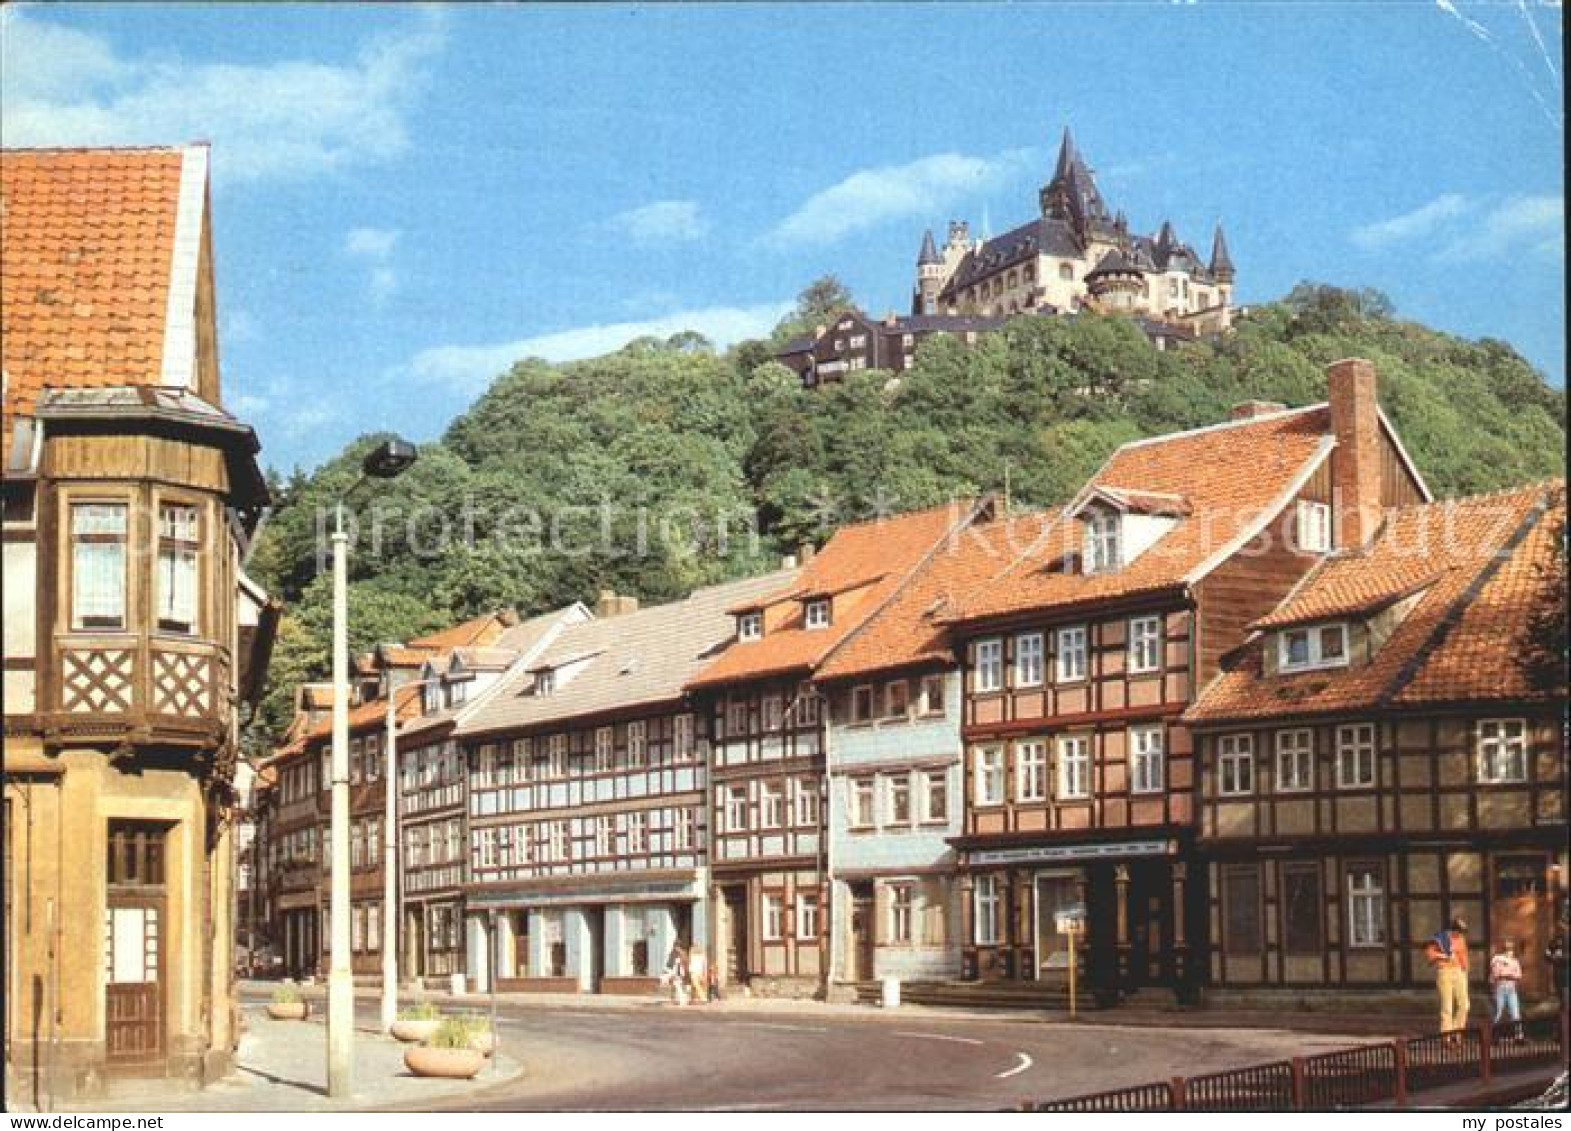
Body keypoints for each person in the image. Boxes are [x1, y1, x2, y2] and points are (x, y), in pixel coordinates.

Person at [1424, 916, 1471, 1040]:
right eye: (1459, 931)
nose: (1461, 934)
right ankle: (1447, 1037)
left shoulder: (1461, 939)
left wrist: (1465, 969)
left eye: (1462, 932)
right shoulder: (1441, 938)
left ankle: (1456, 1031)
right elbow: (1429, 954)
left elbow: (1464, 954)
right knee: (1447, 1007)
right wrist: (1442, 955)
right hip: (1445, 972)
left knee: (1465, 1005)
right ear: (1453, 929)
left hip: (1459, 972)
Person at [1488, 938, 1523, 1035]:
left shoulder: (1515, 961)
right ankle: (1494, 1035)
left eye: (1511, 948)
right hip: (1500, 988)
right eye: (1507, 948)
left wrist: (1508, 975)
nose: (1509, 951)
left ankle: (1519, 1035)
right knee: (1498, 1012)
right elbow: (1496, 973)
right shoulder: (1497, 959)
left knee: (1515, 1013)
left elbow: (1518, 975)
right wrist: (1508, 974)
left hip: (1511, 989)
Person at [1546, 926, 1568, 1011]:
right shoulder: (1554, 942)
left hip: (1566, 972)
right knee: (1560, 995)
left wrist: (1561, 957)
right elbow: (1546, 954)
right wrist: (1552, 957)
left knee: (1565, 994)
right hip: (1557, 973)